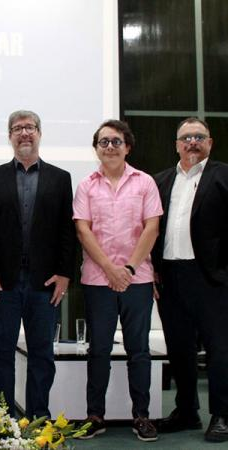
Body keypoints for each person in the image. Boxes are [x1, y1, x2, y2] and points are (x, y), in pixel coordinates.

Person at [0, 110, 75, 418]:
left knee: (42, 353)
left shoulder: (60, 178)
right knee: (1, 352)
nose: (24, 133)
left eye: (30, 127)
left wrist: (65, 274)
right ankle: (3, 418)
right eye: (17, 128)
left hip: (44, 283)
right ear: (10, 137)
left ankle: (38, 417)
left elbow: (67, 231)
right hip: (2, 282)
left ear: (39, 133)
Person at [73, 120, 162, 442]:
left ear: (127, 147)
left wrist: (129, 269)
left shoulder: (145, 182)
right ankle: (95, 416)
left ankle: (142, 416)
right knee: (98, 350)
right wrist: (111, 269)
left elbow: (152, 227)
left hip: (137, 279)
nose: (109, 147)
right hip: (98, 280)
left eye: (116, 141)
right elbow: (83, 230)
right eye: (103, 142)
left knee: (139, 350)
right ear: (96, 149)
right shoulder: (86, 186)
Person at [153, 117, 228, 443]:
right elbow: (151, 229)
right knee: (179, 348)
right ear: (177, 145)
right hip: (170, 276)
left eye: (199, 136)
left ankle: (222, 414)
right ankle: (187, 411)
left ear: (210, 142)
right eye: (186, 137)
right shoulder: (161, 181)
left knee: (219, 349)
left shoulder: (223, 176)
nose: (192, 142)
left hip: (212, 277)